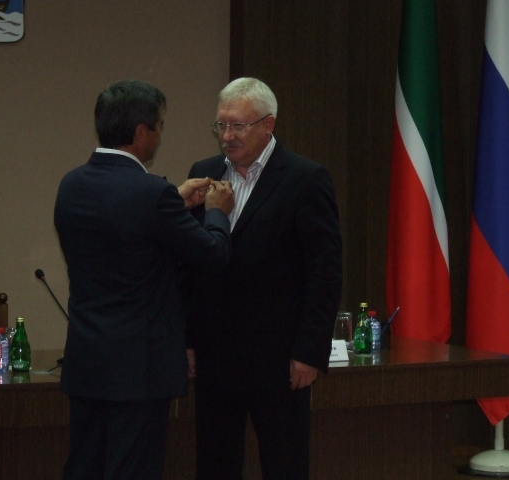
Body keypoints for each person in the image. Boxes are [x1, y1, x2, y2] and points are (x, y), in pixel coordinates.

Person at [54, 79, 235, 480]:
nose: (160, 135)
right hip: (139, 371)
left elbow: (127, 240)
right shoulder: (151, 194)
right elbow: (213, 255)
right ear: (141, 133)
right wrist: (216, 212)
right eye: (160, 126)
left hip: (88, 362)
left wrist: (173, 203)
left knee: (84, 467)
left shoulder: (71, 185)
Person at [186, 77, 342, 480]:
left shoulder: (305, 178)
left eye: (238, 125)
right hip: (215, 359)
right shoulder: (203, 174)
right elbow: (191, 266)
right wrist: (186, 339)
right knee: (214, 467)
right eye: (221, 125)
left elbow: (324, 273)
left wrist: (310, 351)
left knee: (284, 465)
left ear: (268, 125)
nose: (227, 136)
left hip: (280, 363)